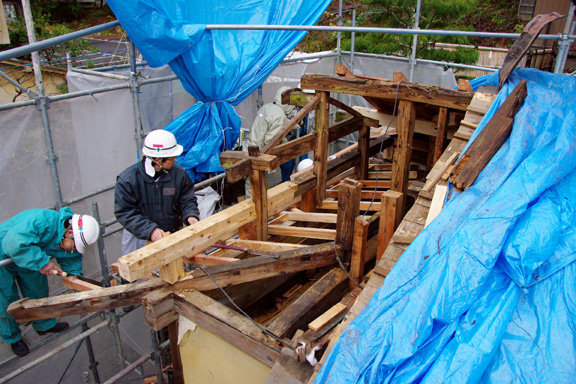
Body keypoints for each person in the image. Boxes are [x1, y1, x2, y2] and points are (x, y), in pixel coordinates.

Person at [0, 208, 100, 357]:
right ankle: (13, 337)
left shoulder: (64, 237)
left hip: (30, 254)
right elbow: (13, 244)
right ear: (69, 233)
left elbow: (71, 257)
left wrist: (74, 276)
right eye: (74, 245)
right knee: (6, 300)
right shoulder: (41, 220)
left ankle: (44, 325)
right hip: (4, 256)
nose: (74, 249)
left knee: (37, 291)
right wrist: (41, 262)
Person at [114, 130, 200, 257]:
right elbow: (125, 212)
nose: (175, 159)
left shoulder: (178, 174)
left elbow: (186, 199)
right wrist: (150, 230)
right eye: (171, 158)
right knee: (137, 273)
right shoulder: (128, 181)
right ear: (157, 159)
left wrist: (191, 216)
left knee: (169, 270)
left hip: (167, 232)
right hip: (139, 237)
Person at [243, 86, 296, 198]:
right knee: (256, 185)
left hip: (249, 147)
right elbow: (272, 141)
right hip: (259, 153)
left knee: (251, 183)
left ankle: (251, 208)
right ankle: (254, 211)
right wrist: (272, 161)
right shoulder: (280, 116)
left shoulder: (267, 107)